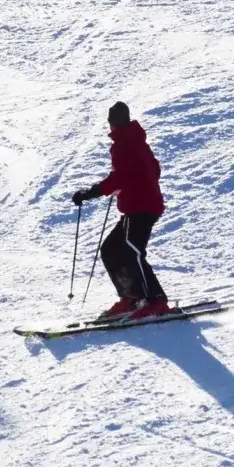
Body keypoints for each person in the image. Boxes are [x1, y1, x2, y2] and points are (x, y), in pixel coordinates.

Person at [72, 101, 170, 319]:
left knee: (132, 251)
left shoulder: (126, 143)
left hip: (142, 207)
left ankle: (155, 301)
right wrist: (128, 186)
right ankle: (131, 298)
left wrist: (92, 192)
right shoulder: (135, 141)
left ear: (113, 123)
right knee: (111, 249)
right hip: (139, 206)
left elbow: (122, 176)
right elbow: (153, 169)